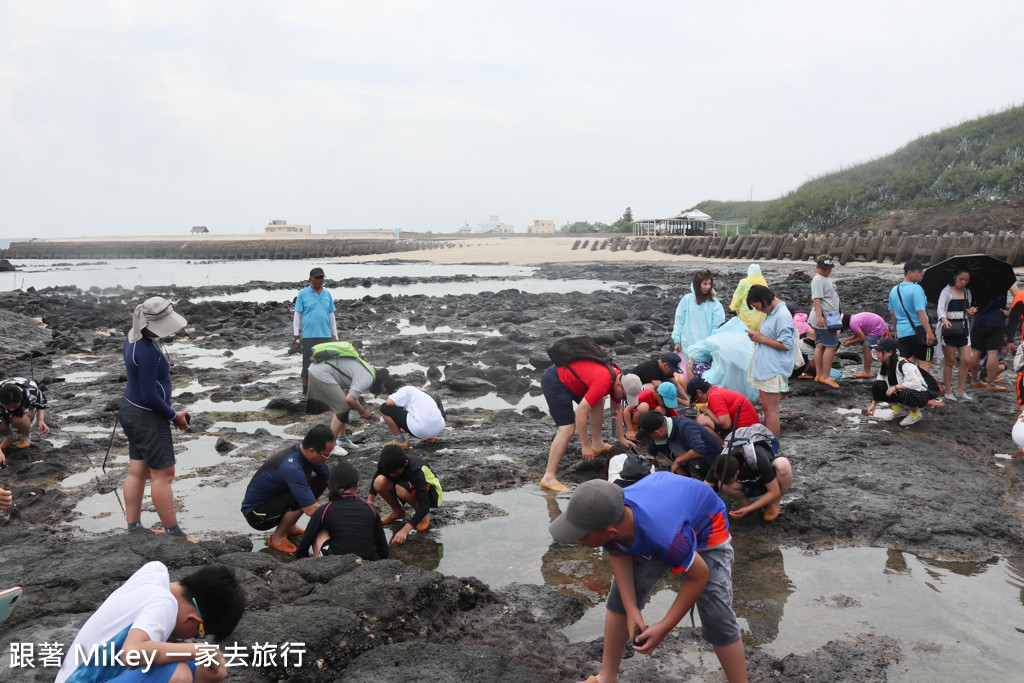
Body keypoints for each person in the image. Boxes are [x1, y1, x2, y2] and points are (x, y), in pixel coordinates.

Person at [549, 475, 747, 683]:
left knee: (717, 615)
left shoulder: (666, 538)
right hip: (661, 512)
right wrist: (632, 609)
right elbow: (617, 553)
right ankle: (607, 677)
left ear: (610, 532)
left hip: (706, 523)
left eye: (581, 536)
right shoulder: (611, 519)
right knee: (620, 601)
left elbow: (699, 576)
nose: (577, 541)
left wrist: (664, 627)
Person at [55, 561, 245, 683]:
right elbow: (131, 654)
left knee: (207, 669)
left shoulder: (155, 573)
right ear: (194, 620)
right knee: (177, 674)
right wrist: (198, 650)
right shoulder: (164, 603)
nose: (195, 638)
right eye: (199, 633)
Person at [119, 297, 195, 540]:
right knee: (164, 474)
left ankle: (134, 527)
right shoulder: (146, 350)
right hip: (148, 416)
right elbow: (150, 396)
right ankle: (174, 533)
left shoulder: (133, 336)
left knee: (137, 472)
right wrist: (174, 416)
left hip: (130, 411)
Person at [241, 424, 335, 553]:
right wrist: (340, 519)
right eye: (326, 455)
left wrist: (348, 502)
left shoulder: (309, 455)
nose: (328, 458)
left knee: (318, 482)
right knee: (301, 497)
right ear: (312, 450)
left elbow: (330, 480)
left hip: (275, 500)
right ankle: (277, 538)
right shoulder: (291, 466)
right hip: (257, 515)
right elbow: (310, 509)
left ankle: (290, 527)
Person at [539, 358, 629, 492]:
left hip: (576, 381)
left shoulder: (619, 378)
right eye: (625, 395)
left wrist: (621, 439)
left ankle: (598, 444)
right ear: (619, 385)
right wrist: (585, 445)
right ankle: (548, 477)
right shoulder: (604, 381)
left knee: (600, 398)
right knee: (567, 428)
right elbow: (580, 413)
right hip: (556, 381)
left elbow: (616, 410)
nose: (623, 399)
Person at [294, 461, 390, 561]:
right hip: (368, 563)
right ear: (356, 485)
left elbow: (301, 551)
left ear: (331, 487)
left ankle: (318, 561)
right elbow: (384, 552)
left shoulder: (324, 510)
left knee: (320, 529)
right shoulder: (371, 509)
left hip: (336, 564)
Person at [305, 340, 376, 451]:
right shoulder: (367, 377)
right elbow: (350, 399)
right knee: (342, 407)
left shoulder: (369, 368)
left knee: (343, 404)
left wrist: (362, 410)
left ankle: (342, 439)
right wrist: (363, 411)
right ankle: (330, 445)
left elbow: (350, 398)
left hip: (321, 368)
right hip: (320, 372)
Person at [745, 285, 795, 438]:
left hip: (774, 369)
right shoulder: (772, 312)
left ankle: (773, 445)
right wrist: (758, 336)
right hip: (767, 367)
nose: (758, 309)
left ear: (765, 299)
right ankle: (770, 442)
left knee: (771, 410)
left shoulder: (781, 315)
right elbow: (772, 335)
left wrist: (761, 338)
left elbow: (786, 344)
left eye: (757, 306)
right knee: (767, 409)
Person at [367, 445, 442, 545]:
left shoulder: (415, 470)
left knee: (400, 489)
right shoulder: (386, 463)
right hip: (405, 484)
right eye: (389, 472)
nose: (391, 475)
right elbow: (378, 475)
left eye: (395, 472)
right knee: (379, 482)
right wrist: (370, 501)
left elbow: (425, 505)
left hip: (431, 493)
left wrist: (405, 530)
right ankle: (397, 512)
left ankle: (423, 516)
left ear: (405, 463)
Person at [707, 443, 793, 522]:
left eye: (726, 480)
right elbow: (705, 487)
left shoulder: (758, 459)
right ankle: (745, 503)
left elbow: (774, 491)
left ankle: (774, 503)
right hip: (748, 485)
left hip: (770, 482)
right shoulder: (721, 464)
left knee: (783, 465)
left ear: (737, 473)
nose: (723, 481)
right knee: (721, 485)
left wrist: (749, 510)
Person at [293, 266, 338, 399]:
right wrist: (296, 336)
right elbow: (297, 315)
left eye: (321, 278)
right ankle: (305, 392)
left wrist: (335, 334)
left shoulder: (327, 294)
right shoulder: (302, 294)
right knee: (307, 364)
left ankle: (323, 390)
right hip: (309, 336)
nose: (319, 280)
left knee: (325, 365)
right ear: (310, 279)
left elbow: (331, 316)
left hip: (325, 336)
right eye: (317, 278)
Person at [371, 369, 446, 449]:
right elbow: (435, 401)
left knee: (384, 408)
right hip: (439, 427)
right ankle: (431, 437)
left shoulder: (403, 390)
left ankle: (400, 441)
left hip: (422, 431)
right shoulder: (417, 390)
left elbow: (389, 403)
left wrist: (393, 397)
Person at [635, 411, 721, 480]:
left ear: (657, 432)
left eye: (649, 436)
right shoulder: (660, 434)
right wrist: (648, 473)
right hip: (686, 463)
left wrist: (678, 461)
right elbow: (650, 454)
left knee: (694, 466)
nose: (650, 439)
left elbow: (700, 450)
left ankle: (702, 490)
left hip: (712, 464)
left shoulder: (685, 427)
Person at [866, 337, 930, 427]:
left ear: (890, 352)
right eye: (877, 351)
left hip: (920, 394)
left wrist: (895, 387)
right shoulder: (885, 365)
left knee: (906, 392)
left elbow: (916, 384)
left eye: (880, 351)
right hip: (902, 393)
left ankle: (915, 414)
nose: (877, 354)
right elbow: (879, 382)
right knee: (877, 385)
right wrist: (873, 404)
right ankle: (898, 410)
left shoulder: (904, 365)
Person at [936, 269, 977, 400]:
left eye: (966, 280)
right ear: (955, 277)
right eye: (961, 279)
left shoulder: (967, 292)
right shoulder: (946, 291)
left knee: (966, 360)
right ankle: (948, 391)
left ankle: (961, 390)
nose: (963, 282)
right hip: (949, 329)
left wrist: (970, 311)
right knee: (950, 360)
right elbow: (940, 308)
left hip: (963, 328)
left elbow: (967, 308)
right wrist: (944, 319)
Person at [888, 258, 935, 372]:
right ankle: (922, 389)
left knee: (909, 369)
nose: (922, 274)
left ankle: (911, 389)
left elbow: (892, 313)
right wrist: (929, 332)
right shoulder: (917, 288)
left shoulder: (894, 290)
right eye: (919, 271)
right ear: (909, 272)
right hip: (919, 333)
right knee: (924, 367)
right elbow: (920, 312)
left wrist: (897, 331)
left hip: (903, 333)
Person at [672, 270, 725, 359]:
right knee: (688, 370)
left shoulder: (714, 302)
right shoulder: (687, 300)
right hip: (687, 344)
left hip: (705, 345)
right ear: (697, 284)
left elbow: (717, 325)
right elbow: (679, 320)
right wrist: (677, 340)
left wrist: (712, 343)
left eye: (709, 284)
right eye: (705, 284)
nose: (707, 287)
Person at [969, 287, 1013, 393]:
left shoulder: (978, 280)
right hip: (996, 321)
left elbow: (969, 299)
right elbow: (1018, 294)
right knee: (993, 352)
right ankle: (991, 383)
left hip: (979, 321)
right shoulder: (1004, 279)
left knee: (976, 351)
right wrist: (1010, 312)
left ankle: (975, 379)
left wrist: (971, 308)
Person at [808, 255, 841, 388]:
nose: (828, 271)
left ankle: (819, 374)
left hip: (828, 316)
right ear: (817, 267)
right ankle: (825, 375)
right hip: (825, 317)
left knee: (820, 344)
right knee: (830, 346)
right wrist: (820, 316)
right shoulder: (818, 280)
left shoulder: (825, 279)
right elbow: (816, 298)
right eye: (824, 269)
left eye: (829, 269)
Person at [686, 378, 760, 438]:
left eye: (697, 400)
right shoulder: (715, 390)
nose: (699, 402)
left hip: (747, 433)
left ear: (699, 392)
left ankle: (723, 450)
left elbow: (726, 425)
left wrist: (707, 410)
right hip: (752, 429)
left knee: (702, 420)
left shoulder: (714, 397)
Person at [0, 377, 49, 463]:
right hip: (3, 412)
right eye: (8, 407)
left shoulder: (30, 391)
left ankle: (25, 437)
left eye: (14, 406)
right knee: (1, 426)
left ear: (21, 398)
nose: (11, 409)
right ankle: (11, 437)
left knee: (18, 419)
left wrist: (41, 420)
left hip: (24, 411)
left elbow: (41, 403)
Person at [841, 312, 891, 378]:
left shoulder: (852, 324)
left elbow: (862, 337)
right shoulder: (853, 319)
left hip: (877, 329)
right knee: (868, 347)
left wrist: (850, 342)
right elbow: (857, 334)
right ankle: (875, 368)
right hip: (879, 325)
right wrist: (848, 339)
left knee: (866, 347)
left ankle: (866, 372)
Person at [730, 263, 768, 332]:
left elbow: (737, 297)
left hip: (745, 315)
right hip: (760, 315)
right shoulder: (763, 283)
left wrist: (735, 308)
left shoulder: (744, 282)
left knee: (747, 336)